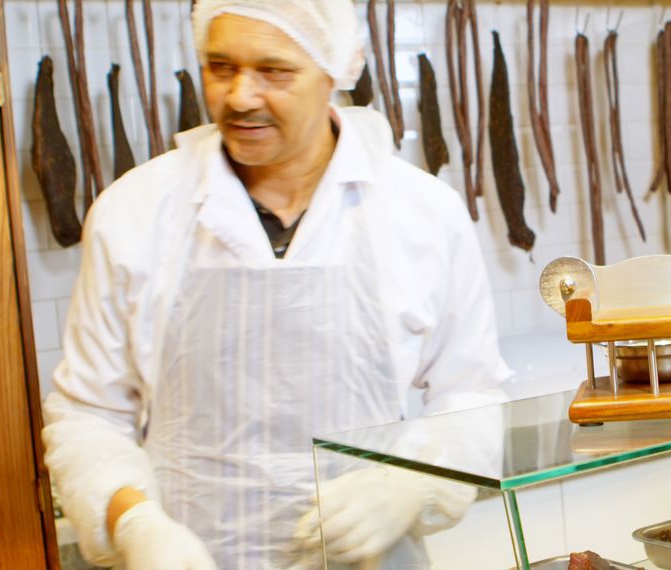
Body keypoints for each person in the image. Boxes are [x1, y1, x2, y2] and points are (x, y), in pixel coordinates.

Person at [41, 1, 510, 568]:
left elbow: (472, 392)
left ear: (334, 69)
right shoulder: (134, 213)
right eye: (220, 66)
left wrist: (413, 482)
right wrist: (133, 520)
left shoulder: (422, 212)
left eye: (274, 70)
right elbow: (88, 414)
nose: (240, 96)